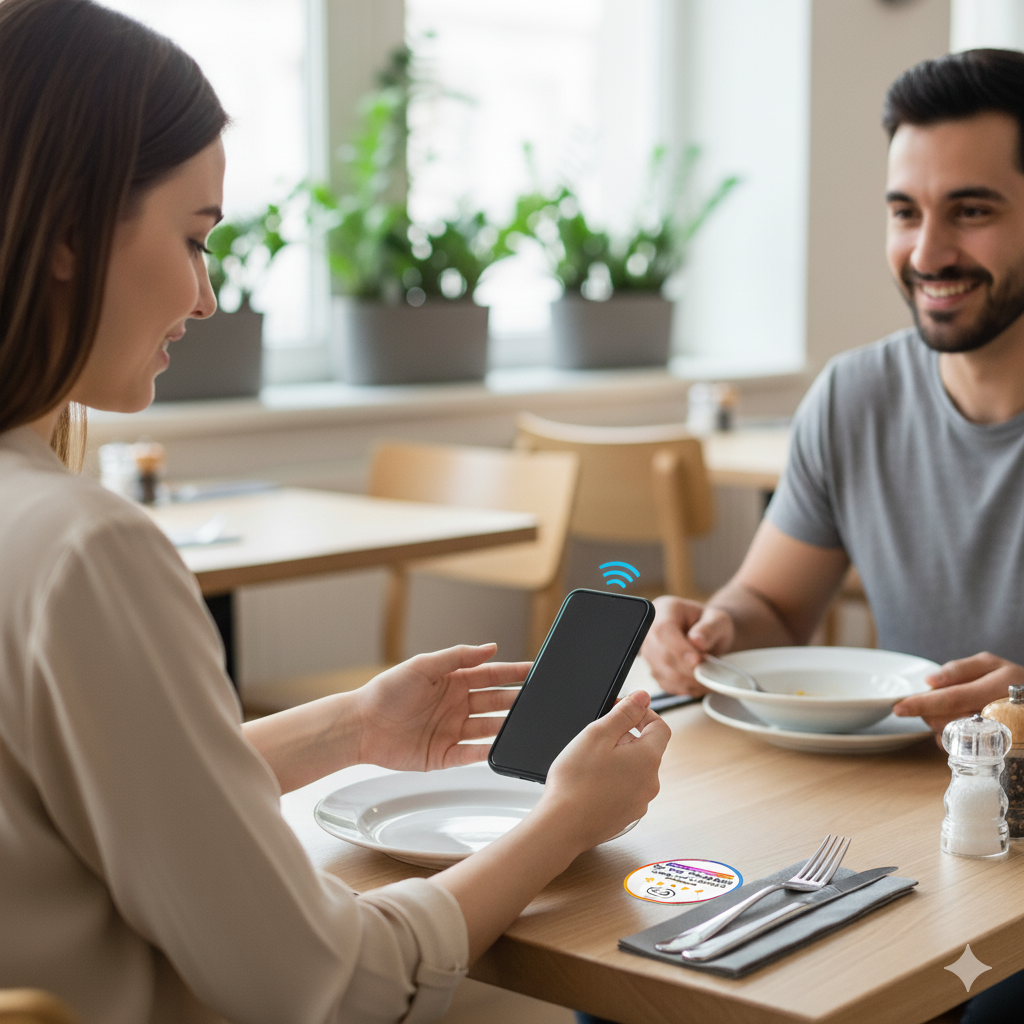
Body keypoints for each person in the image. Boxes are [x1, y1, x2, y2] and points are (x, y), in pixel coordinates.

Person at [0, 2, 671, 1022]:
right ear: (67, 233)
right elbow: (332, 984)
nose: (209, 295)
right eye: (193, 237)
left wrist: (349, 727)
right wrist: (567, 820)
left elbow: (82, 810)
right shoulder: (81, 549)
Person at [637, 48, 1024, 1024]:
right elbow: (772, 604)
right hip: (896, 828)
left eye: (970, 210)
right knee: (649, 974)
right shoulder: (854, 396)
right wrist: (714, 627)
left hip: (996, 856)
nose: (927, 250)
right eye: (904, 211)